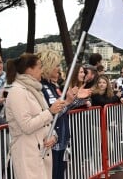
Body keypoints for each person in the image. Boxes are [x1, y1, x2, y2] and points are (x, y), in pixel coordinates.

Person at [5, 53, 65, 179]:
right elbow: (26, 125)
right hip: (27, 154)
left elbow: (45, 120)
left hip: (41, 153)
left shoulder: (35, 90)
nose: (42, 70)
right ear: (29, 70)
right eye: (39, 67)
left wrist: (53, 136)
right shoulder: (17, 91)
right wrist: (50, 112)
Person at [38, 50, 92, 179]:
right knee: (54, 174)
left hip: (60, 138)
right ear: (48, 66)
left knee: (60, 173)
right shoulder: (43, 87)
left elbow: (63, 109)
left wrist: (77, 100)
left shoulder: (52, 86)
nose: (59, 69)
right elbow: (54, 113)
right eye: (56, 65)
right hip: (52, 140)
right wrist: (69, 101)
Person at [91, 75, 123, 176]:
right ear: (97, 84)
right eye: (100, 82)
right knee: (97, 148)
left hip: (105, 124)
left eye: (104, 82)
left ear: (107, 84)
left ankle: (106, 167)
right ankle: (98, 170)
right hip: (95, 125)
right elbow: (104, 102)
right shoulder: (95, 94)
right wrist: (117, 97)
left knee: (109, 147)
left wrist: (121, 98)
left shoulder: (109, 94)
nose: (101, 84)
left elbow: (115, 97)